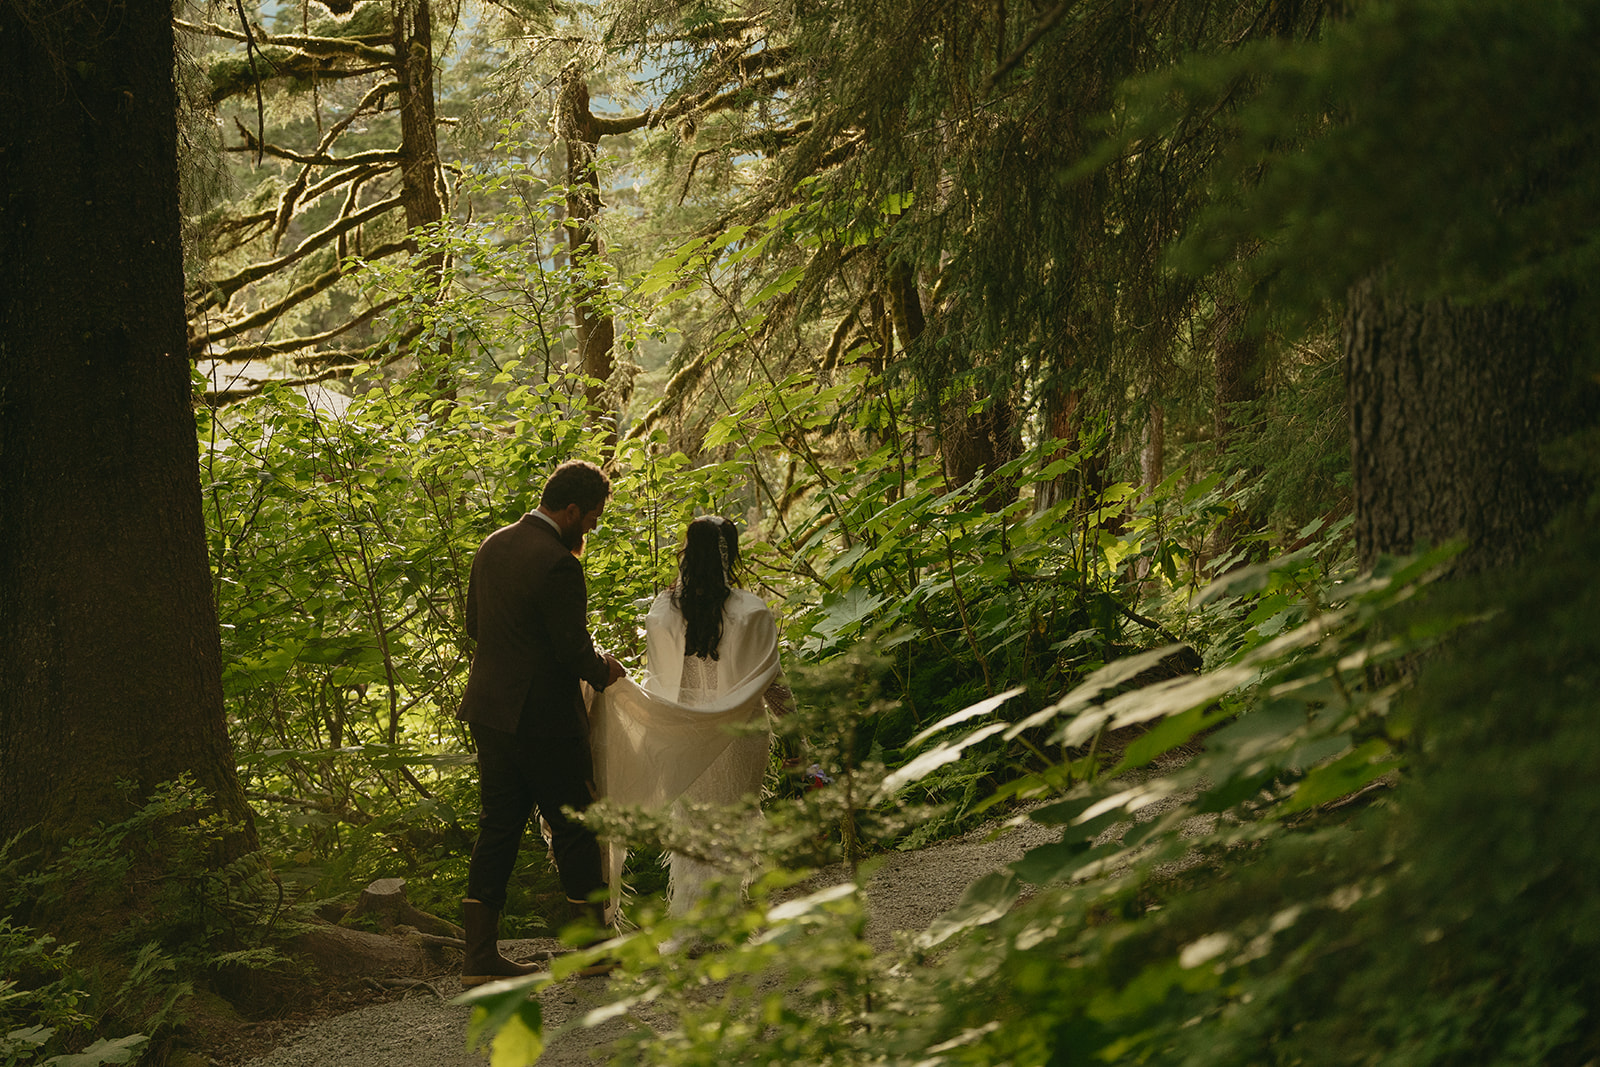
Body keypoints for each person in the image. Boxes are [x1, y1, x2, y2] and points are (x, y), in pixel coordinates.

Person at [456, 460, 627, 986]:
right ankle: (592, 951)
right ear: (571, 510)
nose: (592, 529)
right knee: (575, 826)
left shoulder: (493, 544)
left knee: (499, 828)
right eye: (592, 519)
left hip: (489, 713)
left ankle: (478, 958)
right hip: (545, 720)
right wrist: (608, 671)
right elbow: (572, 651)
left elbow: (474, 626)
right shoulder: (558, 562)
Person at [591, 515, 792, 919]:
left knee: (692, 829)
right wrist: (797, 743)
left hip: (681, 734)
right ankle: (720, 922)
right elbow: (773, 683)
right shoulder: (751, 611)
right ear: (728, 553)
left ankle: (691, 921)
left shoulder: (663, 611)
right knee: (733, 827)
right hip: (739, 736)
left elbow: (658, 680)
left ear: (687, 551)